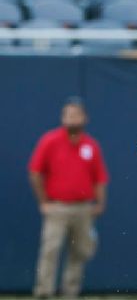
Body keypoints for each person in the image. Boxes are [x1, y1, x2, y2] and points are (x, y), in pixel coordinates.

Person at [29, 97, 109, 299]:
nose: (73, 119)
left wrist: (100, 203)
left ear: (85, 118)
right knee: (50, 249)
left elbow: (99, 178)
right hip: (57, 207)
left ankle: (70, 292)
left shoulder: (91, 145)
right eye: (69, 115)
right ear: (63, 117)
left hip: (83, 208)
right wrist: (43, 202)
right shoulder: (50, 140)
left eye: (76, 115)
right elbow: (35, 172)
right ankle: (44, 292)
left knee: (81, 251)